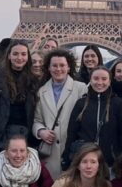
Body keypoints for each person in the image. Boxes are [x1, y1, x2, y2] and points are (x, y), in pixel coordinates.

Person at [63, 67, 122, 170]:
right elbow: (71, 133)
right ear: (90, 80)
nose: (100, 82)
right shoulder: (81, 103)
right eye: (96, 78)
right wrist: (66, 157)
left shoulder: (118, 103)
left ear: (109, 81)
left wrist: (117, 154)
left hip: (109, 163)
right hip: (86, 162)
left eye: (104, 79)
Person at [0, 40, 37, 157]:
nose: (19, 57)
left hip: (27, 137)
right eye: (15, 54)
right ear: (9, 56)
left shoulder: (34, 81)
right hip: (0, 137)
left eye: (23, 54)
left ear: (28, 57)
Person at [33, 49, 86, 177]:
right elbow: (37, 120)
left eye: (62, 65)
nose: (58, 69)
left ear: (68, 67)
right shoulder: (41, 91)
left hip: (73, 151)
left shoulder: (81, 88)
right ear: (49, 68)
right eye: (54, 66)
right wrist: (41, 132)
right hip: (50, 154)